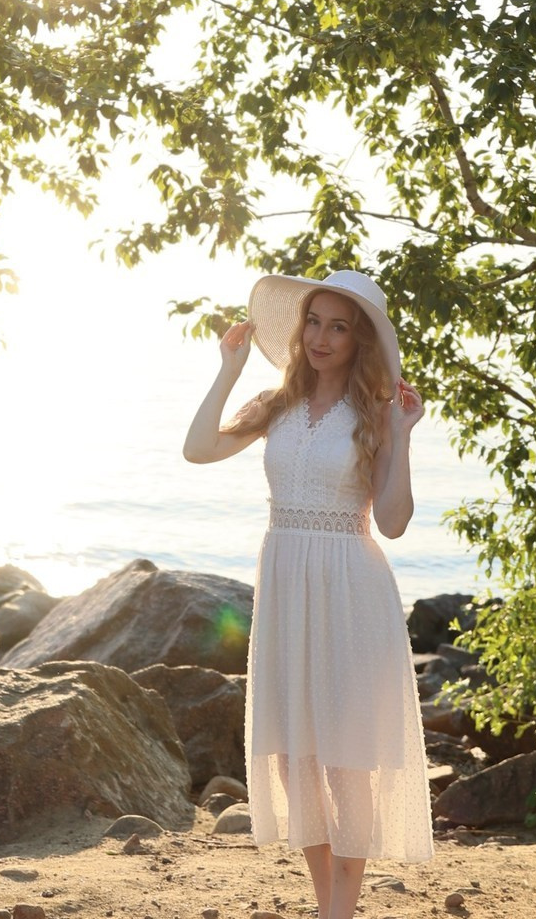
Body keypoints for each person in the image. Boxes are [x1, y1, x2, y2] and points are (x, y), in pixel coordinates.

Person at [184, 269, 433, 919]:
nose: (321, 337)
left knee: (348, 761)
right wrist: (229, 368)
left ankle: (340, 911)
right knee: (297, 761)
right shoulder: (276, 404)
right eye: (314, 321)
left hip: (351, 589)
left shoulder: (376, 414)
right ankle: (330, 907)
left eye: (338, 326)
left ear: (360, 340)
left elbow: (396, 522)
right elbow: (197, 448)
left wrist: (402, 436)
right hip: (287, 584)